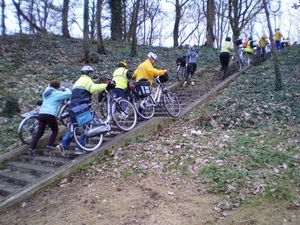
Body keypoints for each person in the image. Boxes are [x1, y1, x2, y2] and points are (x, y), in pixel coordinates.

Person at [56, 66, 115, 157]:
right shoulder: (86, 80)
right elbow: (92, 88)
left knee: (74, 126)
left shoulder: (77, 82)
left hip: (73, 106)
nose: (92, 75)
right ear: (89, 73)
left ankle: (63, 145)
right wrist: (106, 85)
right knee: (88, 124)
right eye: (91, 73)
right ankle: (79, 148)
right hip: (82, 106)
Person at [28, 80, 72, 157]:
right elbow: (69, 94)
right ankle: (50, 144)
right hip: (50, 114)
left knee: (39, 132)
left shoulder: (46, 91)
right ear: (57, 87)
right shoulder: (56, 93)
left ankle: (32, 148)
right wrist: (65, 88)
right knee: (55, 130)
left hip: (41, 113)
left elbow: (49, 86)